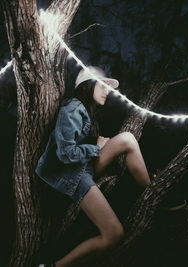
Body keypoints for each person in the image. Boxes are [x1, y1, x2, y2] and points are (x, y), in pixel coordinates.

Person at [36, 66, 151, 267]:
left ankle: (150, 190)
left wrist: (97, 142)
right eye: (103, 85)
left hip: (81, 167)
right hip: (70, 175)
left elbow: (78, 141)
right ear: (87, 85)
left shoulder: (86, 111)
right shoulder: (72, 108)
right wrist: (95, 147)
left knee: (127, 139)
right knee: (114, 233)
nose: (108, 91)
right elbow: (65, 154)